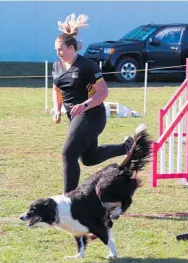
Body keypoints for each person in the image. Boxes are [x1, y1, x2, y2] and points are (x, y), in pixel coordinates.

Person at [52, 13, 134, 193]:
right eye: (56, 50)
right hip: (74, 117)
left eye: (61, 49)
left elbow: (103, 92)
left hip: (92, 115)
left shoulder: (87, 66)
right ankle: (126, 147)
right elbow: (57, 89)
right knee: (89, 158)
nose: (58, 53)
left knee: (68, 153)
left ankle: (69, 198)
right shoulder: (57, 66)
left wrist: (85, 105)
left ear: (72, 47)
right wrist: (57, 109)